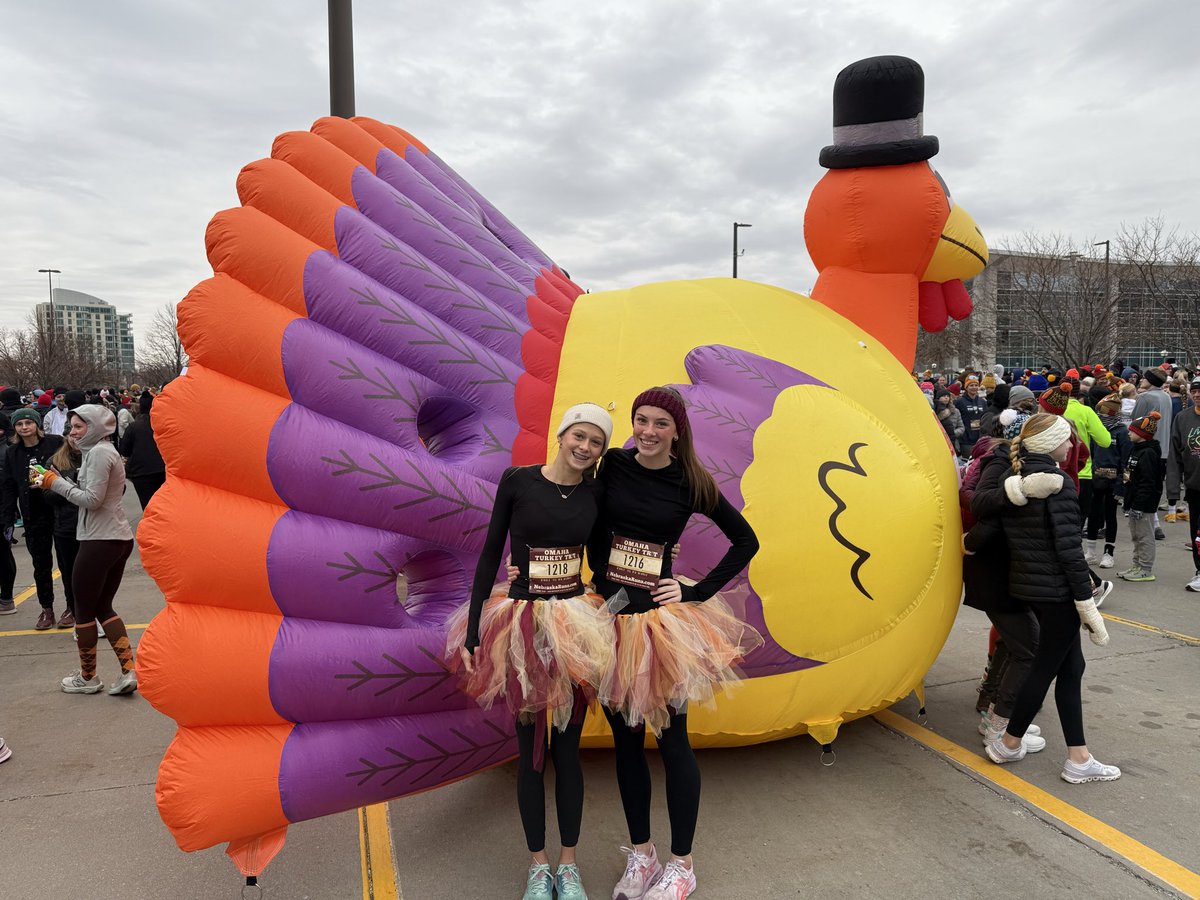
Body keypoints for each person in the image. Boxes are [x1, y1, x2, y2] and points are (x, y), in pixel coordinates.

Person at [588, 387, 761, 900]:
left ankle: (682, 866)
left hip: (660, 628)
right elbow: (580, 518)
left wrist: (697, 589)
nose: (648, 431)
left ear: (677, 430)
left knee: (672, 741)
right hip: (611, 617)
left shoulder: (691, 482)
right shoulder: (613, 465)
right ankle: (642, 855)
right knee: (625, 742)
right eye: (641, 420)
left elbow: (746, 540)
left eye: (660, 423)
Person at [447, 403, 615, 900]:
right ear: (561, 435)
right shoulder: (517, 481)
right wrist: (473, 627)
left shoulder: (596, 493)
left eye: (596, 442)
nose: (585, 447)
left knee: (568, 750)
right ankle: (538, 866)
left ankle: (569, 866)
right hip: (521, 625)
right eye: (579, 436)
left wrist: (632, 594)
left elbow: (602, 562)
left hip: (573, 625)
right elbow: (490, 554)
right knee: (531, 753)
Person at [982, 413, 1120, 784]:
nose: (1072, 445)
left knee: (1072, 668)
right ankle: (1009, 743)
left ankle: (1077, 756)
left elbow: (985, 510)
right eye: (1067, 439)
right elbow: (1069, 551)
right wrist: (1086, 601)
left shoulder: (1016, 479)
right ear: (1050, 444)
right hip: (1057, 592)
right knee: (1045, 669)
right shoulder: (1058, 484)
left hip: (1031, 588)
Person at [33, 405, 137, 696]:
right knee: (103, 607)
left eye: (79, 426)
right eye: (71, 427)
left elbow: (92, 500)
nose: (73, 433)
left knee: (84, 610)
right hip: (115, 537)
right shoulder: (103, 451)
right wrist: (62, 481)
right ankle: (127, 671)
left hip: (99, 539)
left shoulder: (100, 453)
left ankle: (88, 677)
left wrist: (55, 483)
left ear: (95, 427)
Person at [1, 408, 66, 629]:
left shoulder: (55, 443)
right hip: (33, 515)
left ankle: (73, 608)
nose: (24, 427)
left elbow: (69, 469)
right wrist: (8, 518)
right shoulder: (13, 452)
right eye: (19, 424)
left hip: (59, 511)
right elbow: (9, 486)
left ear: (37, 425)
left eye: (28, 423)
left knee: (67, 563)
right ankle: (46, 609)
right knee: (41, 565)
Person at [1120, 412, 1165, 583]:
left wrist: (1139, 505)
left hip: (1144, 505)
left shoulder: (1148, 453)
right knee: (1136, 536)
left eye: (1132, 431)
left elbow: (1148, 482)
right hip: (1134, 501)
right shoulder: (1135, 449)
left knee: (1145, 536)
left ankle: (1146, 569)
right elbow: (1129, 475)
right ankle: (1137, 565)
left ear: (1142, 434)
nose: (1129, 433)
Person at [1088, 394, 1131, 571]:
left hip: (1114, 482)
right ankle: (1090, 551)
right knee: (1093, 514)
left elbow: (1126, 462)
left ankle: (1109, 553)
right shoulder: (1096, 428)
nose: (1100, 414)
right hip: (1095, 479)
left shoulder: (1121, 431)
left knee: (1110, 516)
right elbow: (1091, 453)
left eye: (1103, 411)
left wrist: (1122, 485)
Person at [1166, 378, 1200, 591]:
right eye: (1194, 391)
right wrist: (1172, 491)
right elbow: (1174, 456)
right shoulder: (1183, 418)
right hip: (1194, 487)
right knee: (1196, 532)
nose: (1197, 395)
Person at [119, 393, 166, 509]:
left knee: (148, 505)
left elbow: (124, 450)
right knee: (165, 503)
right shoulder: (163, 424)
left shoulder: (133, 427)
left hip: (140, 472)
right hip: (163, 469)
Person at [956, 377, 988, 455]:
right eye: (971, 385)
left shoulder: (982, 402)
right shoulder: (960, 402)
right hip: (966, 440)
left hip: (980, 439)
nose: (974, 387)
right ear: (966, 387)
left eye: (976, 385)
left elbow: (985, 418)